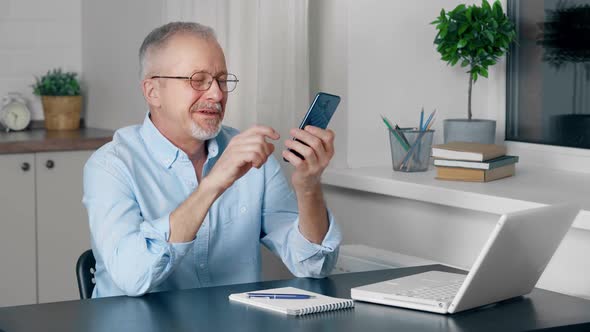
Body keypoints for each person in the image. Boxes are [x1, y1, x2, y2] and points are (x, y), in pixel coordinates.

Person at [82, 22, 342, 298]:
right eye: (198, 80)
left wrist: (309, 186)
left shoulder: (252, 157)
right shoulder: (110, 165)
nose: (217, 94)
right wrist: (214, 183)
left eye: (221, 80)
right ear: (152, 92)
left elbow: (314, 264)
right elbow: (131, 277)